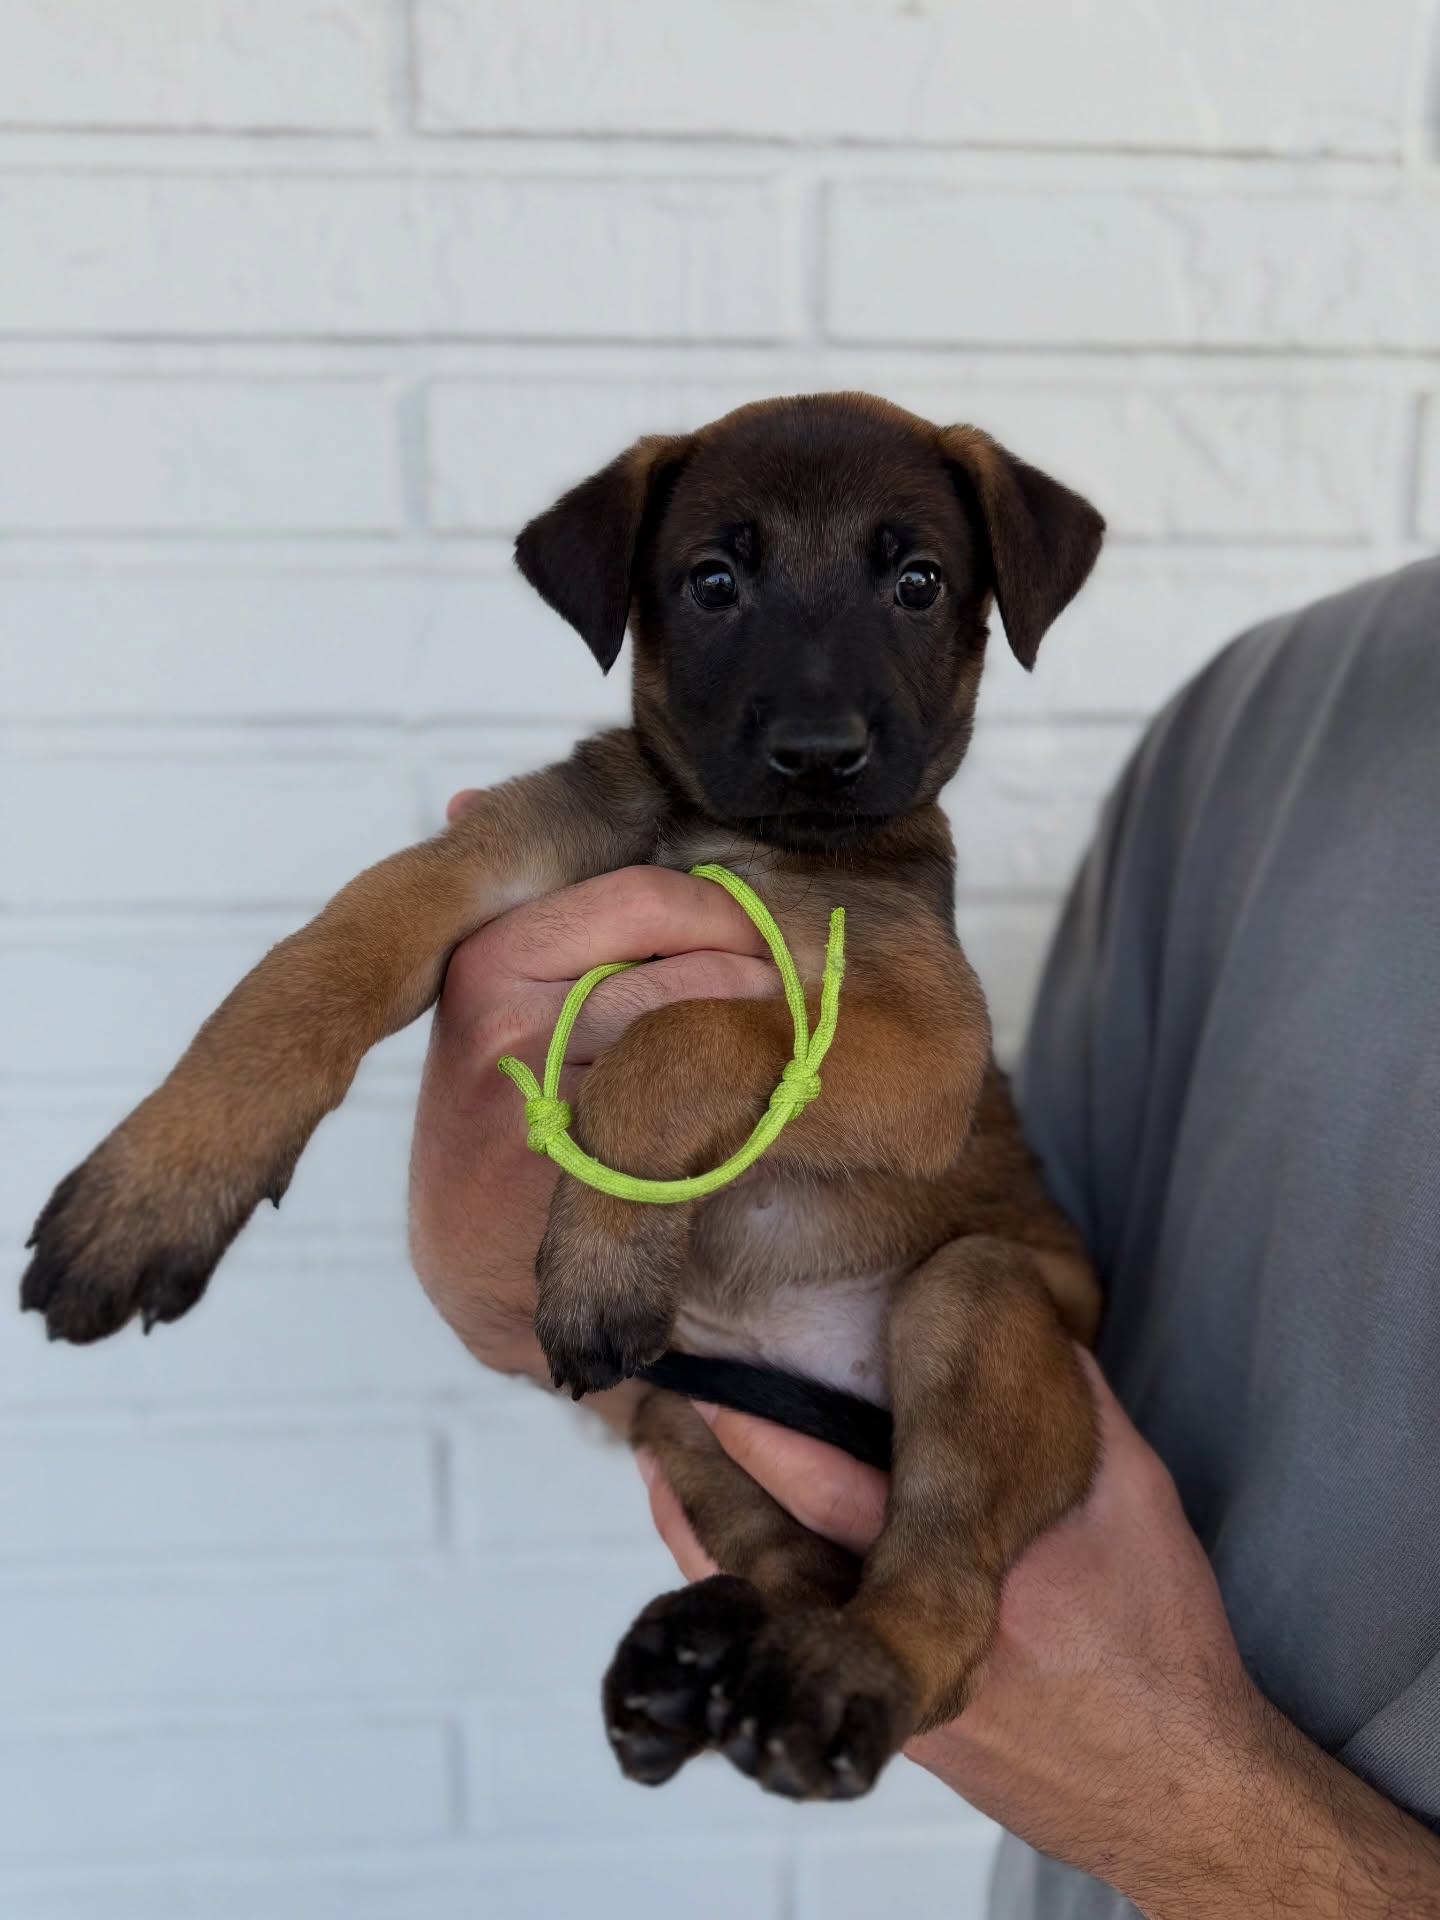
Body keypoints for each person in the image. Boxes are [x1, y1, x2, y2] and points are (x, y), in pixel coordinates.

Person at [409, 559, 1440, 1918]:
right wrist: (501, 1282)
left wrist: (1176, 1798)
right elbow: (965, 1261)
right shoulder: (1270, 709)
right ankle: (779, 1596)